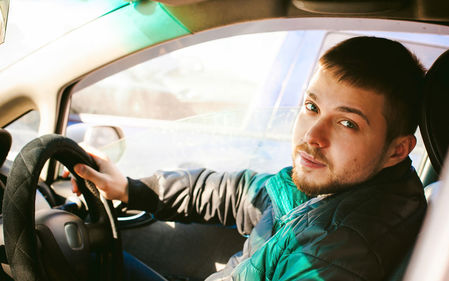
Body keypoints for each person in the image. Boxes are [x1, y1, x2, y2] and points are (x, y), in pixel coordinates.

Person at [73, 36, 427, 281]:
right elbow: (244, 191)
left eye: (347, 123)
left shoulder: (339, 253)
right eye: (311, 107)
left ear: (397, 149)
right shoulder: (336, 188)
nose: (311, 136)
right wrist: (132, 189)